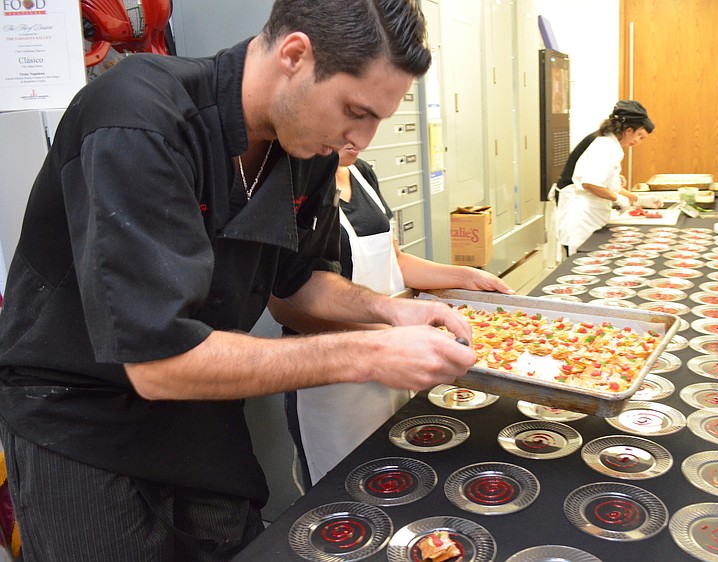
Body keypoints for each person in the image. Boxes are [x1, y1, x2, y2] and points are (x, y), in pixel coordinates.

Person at [0, 1, 479, 560]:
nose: (362, 139)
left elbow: (298, 285)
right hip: (81, 425)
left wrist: (393, 311)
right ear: (295, 55)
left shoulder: (306, 145)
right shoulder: (137, 118)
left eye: (377, 119)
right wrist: (370, 354)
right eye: (355, 110)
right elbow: (159, 362)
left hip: (201, 417)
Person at [268, 144, 512, 488]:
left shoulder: (361, 172)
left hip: (394, 357)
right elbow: (284, 305)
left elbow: (395, 259)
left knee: (393, 474)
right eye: (351, 114)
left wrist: (467, 276)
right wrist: (382, 334)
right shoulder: (288, 183)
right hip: (330, 376)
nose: (359, 138)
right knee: (341, 488)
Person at [553, 100, 655, 255]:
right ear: (628, 130)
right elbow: (591, 184)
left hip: (593, 215)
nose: (638, 142)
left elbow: (605, 184)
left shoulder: (610, 144)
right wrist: (617, 199)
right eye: (639, 136)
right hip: (582, 218)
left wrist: (636, 199)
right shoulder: (603, 146)